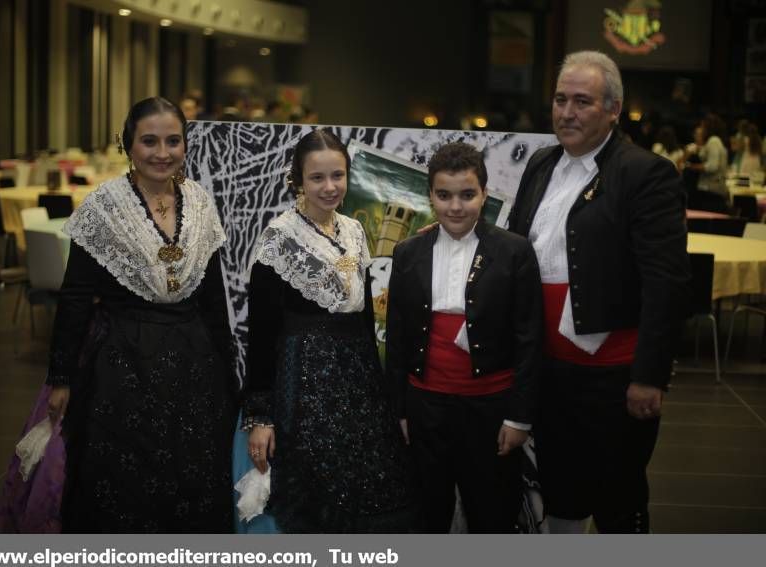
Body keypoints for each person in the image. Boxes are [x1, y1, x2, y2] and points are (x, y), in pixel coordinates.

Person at [507, 51, 690, 533]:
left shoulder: (646, 173)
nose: (566, 112)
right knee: (559, 490)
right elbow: (517, 249)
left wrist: (650, 377)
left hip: (613, 376)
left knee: (617, 498)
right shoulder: (542, 163)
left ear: (613, 109)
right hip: (546, 369)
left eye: (582, 101)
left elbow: (666, 282)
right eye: (560, 99)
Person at [44, 96, 238, 532]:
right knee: (124, 487)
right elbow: (75, 297)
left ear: (186, 145)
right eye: (149, 141)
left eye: (173, 141)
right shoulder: (102, 208)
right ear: (127, 144)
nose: (162, 152)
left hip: (194, 369)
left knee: (192, 482)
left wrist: (229, 375)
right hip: (122, 369)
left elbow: (213, 297)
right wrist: (60, 376)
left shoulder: (201, 203)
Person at [241, 128, 411, 533]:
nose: (330, 186)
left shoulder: (354, 230)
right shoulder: (277, 240)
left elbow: (367, 317)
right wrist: (261, 418)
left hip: (359, 387)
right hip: (304, 389)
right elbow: (261, 336)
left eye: (338, 176)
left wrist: (381, 390)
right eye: (317, 178)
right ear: (298, 180)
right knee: (316, 505)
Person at [385, 142, 543, 533]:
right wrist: (399, 410)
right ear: (430, 196)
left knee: (492, 512)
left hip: (491, 410)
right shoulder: (408, 252)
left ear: (485, 195)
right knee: (427, 512)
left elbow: (530, 341)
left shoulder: (514, 252)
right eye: (444, 195)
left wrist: (519, 416)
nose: (455, 207)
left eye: (467, 195)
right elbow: (399, 337)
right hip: (426, 409)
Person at [684, 113, 729, 199]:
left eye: (702, 126)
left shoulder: (714, 141)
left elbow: (712, 166)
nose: (701, 129)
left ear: (708, 127)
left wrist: (691, 166)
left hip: (711, 188)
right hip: (709, 187)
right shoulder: (711, 142)